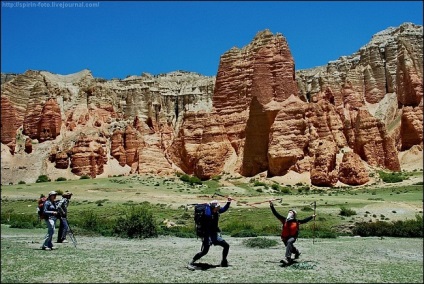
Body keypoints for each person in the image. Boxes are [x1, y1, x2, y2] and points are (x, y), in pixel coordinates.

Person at [188, 197, 232, 269]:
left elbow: (224, 209)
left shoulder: (216, 211)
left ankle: (224, 261)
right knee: (205, 251)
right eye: (217, 207)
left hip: (214, 234)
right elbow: (208, 215)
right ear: (212, 207)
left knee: (226, 246)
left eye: (218, 207)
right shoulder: (207, 213)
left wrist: (228, 202)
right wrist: (208, 205)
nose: (218, 209)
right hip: (207, 235)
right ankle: (191, 262)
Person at [269, 200, 316, 264]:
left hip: (292, 237)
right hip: (284, 237)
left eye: (291, 212)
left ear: (294, 215)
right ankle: (296, 252)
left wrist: (311, 217)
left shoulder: (296, 221)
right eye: (289, 212)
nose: (289, 213)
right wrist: (271, 205)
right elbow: (276, 213)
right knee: (289, 246)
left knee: (289, 242)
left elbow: (304, 220)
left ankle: (287, 258)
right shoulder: (284, 220)